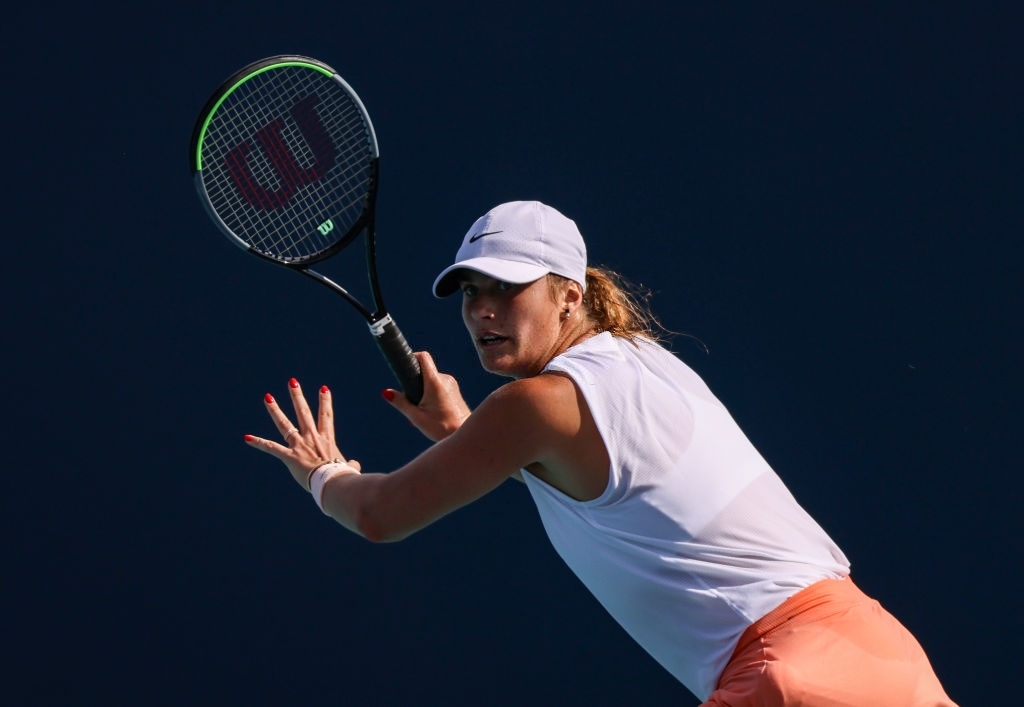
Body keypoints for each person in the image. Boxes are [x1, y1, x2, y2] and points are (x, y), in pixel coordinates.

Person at [243, 200, 956, 705]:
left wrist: (323, 473)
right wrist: (468, 433)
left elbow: (381, 514)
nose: (482, 310)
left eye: (507, 287)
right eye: (469, 292)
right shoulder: (642, 359)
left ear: (568, 295)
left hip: (784, 675)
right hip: (886, 652)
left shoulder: (533, 406)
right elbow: (624, 488)